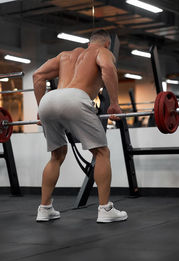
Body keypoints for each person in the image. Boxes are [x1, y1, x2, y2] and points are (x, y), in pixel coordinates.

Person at [32, 29, 127, 223]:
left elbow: (38, 76)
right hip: (76, 98)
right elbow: (108, 69)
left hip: (49, 100)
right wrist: (114, 103)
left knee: (56, 155)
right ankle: (105, 209)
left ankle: (44, 209)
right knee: (101, 152)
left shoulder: (65, 55)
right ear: (107, 43)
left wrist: (40, 109)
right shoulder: (102, 52)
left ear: (88, 41)